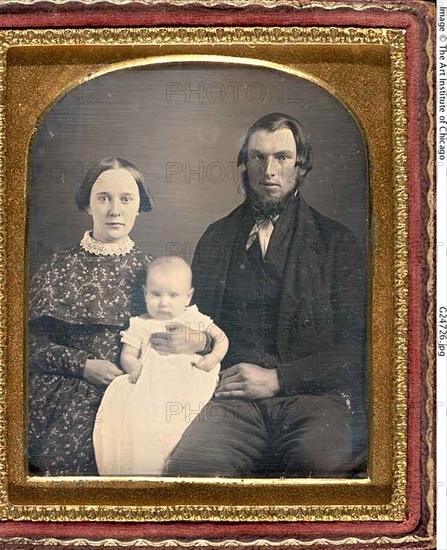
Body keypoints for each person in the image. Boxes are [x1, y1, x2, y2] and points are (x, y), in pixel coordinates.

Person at [165, 113, 367, 478]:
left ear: (301, 166)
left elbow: (358, 348)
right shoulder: (217, 238)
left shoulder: (337, 242)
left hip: (314, 401)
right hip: (233, 400)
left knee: (319, 475)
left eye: (282, 157)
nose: (269, 170)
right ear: (243, 165)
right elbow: (203, 328)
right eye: (258, 157)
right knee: (190, 470)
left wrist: (278, 379)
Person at [27, 156, 157, 476]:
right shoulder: (58, 267)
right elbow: (25, 346)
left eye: (126, 199)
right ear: (88, 205)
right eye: (104, 198)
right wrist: (83, 366)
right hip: (64, 392)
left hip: (133, 391)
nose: (115, 210)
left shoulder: (152, 272)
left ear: (139, 206)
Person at [93, 256, 228, 475]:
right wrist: (134, 367)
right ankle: (144, 463)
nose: (164, 302)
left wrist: (212, 359)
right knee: (135, 415)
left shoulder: (194, 318)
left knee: (180, 421)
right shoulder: (141, 324)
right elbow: (127, 354)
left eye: (173, 295)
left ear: (188, 296)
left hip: (188, 379)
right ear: (145, 293)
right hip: (152, 383)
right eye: (156, 294)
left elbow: (221, 339)